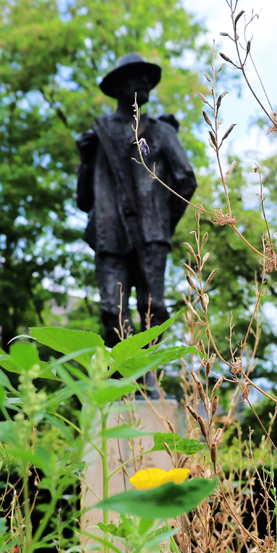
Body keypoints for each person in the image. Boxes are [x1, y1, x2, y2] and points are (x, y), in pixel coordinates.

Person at [76, 53, 197, 349]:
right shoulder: (98, 135)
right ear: (118, 87)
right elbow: (82, 200)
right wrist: (86, 161)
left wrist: (162, 221)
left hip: (151, 233)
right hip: (109, 232)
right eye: (136, 75)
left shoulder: (161, 131)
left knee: (151, 307)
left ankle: (149, 378)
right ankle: (126, 373)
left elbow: (186, 180)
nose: (145, 81)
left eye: (147, 77)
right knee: (111, 310)